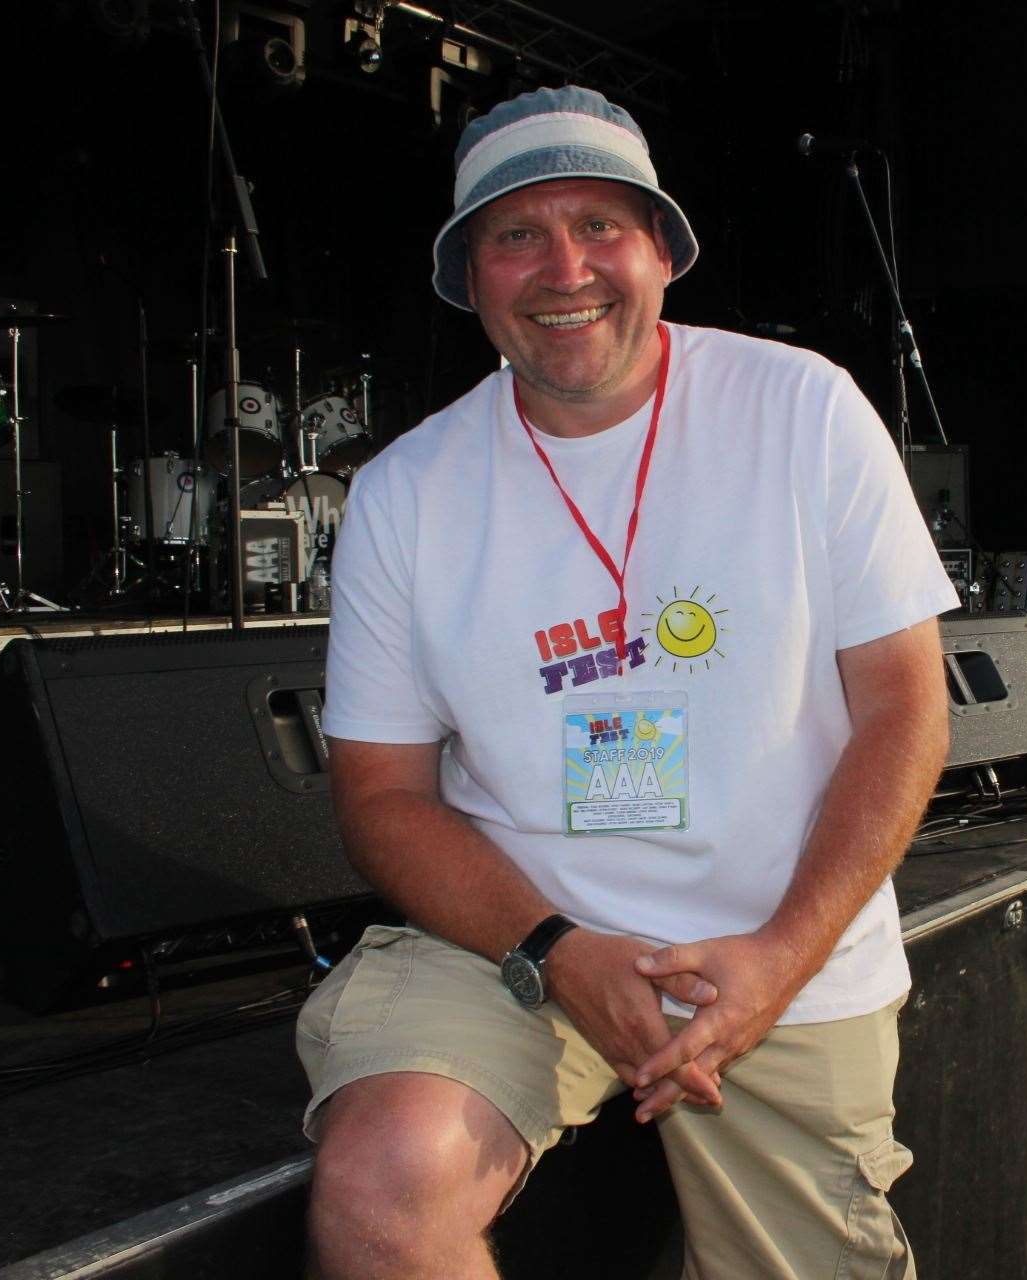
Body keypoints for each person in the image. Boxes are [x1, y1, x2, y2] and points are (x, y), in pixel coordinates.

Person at [298, 84, 957, 1279]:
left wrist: (780, 957)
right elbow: (383, 798)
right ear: (472, 277)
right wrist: (555, 945)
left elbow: (907, 706)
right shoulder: (406, 491)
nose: (564, 267)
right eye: (516, 234)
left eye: (600, 224)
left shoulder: (801, 409)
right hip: (510, 941)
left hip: (776, 945)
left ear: (662, 249)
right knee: (384, 1186)